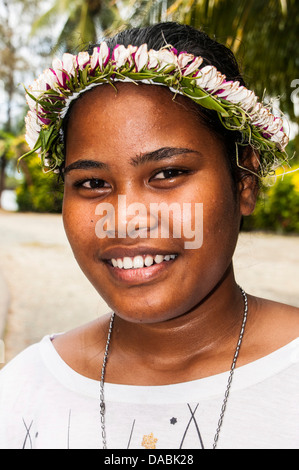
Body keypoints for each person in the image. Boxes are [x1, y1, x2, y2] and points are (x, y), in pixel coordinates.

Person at [0, 22, 298, 450]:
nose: (126, 218)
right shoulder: (22, 395)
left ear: (244, 181)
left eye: (168, 173)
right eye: (91, 183)